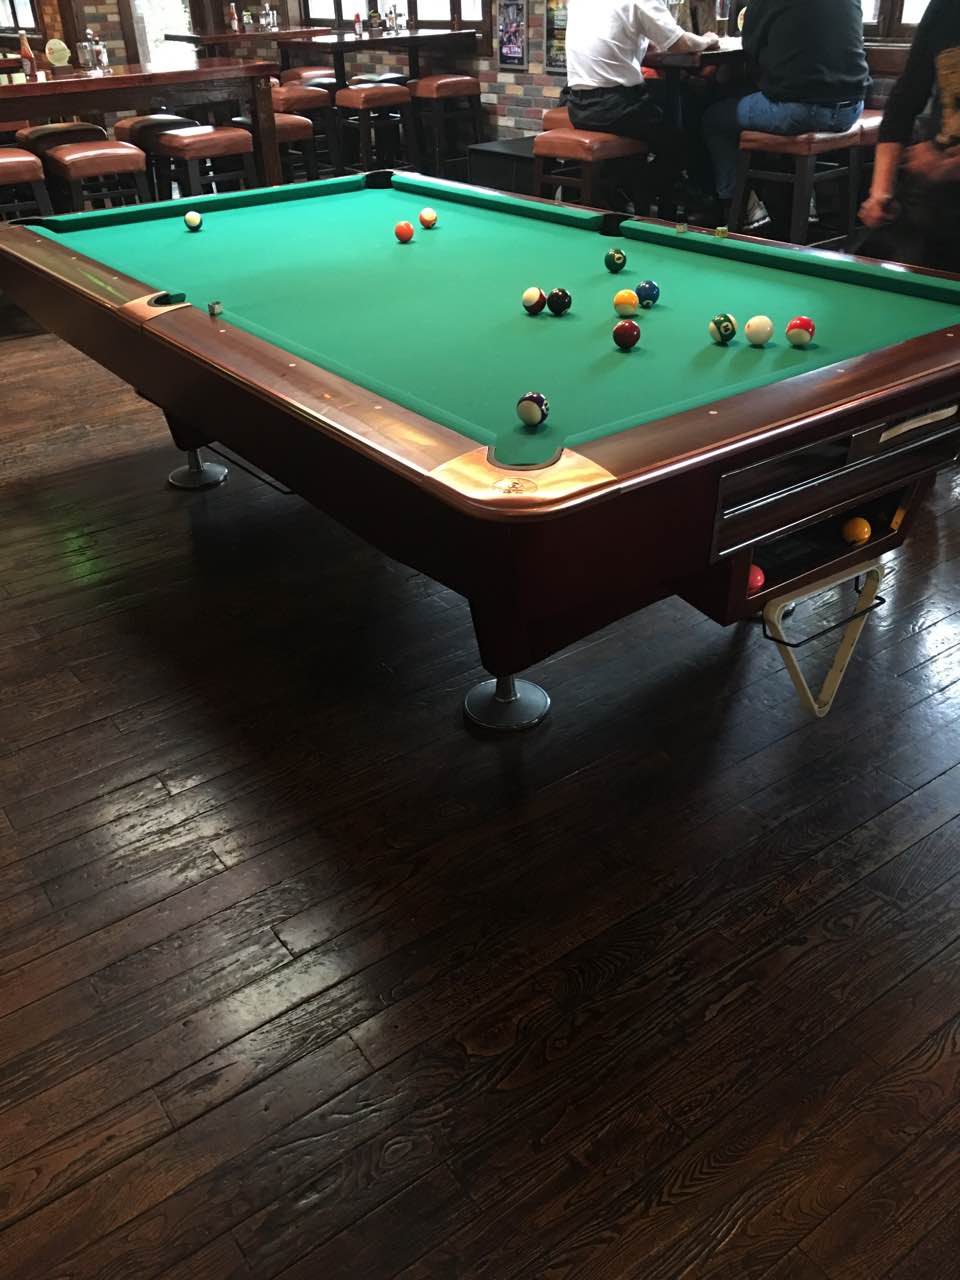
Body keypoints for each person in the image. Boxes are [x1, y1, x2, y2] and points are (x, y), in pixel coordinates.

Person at [702, 0, 868, 225]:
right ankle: (804, 201)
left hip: (802, 111)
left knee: (715, 118)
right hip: (852, 108)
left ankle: (741, 208)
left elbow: (751, 47)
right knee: (777, 99)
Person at [562, 0, 721, 206]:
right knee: (684, 137)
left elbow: (619, 40)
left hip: (577, 107)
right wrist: (708, 40)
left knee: (672, 108)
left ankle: (627, 187)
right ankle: (636, 190)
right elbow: (679, 43)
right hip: (616, 107)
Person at [858, 0, 960, 273]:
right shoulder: (945, 8)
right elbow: (904, 102)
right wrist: (880, 191)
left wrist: (950, 165)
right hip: (935, 200)